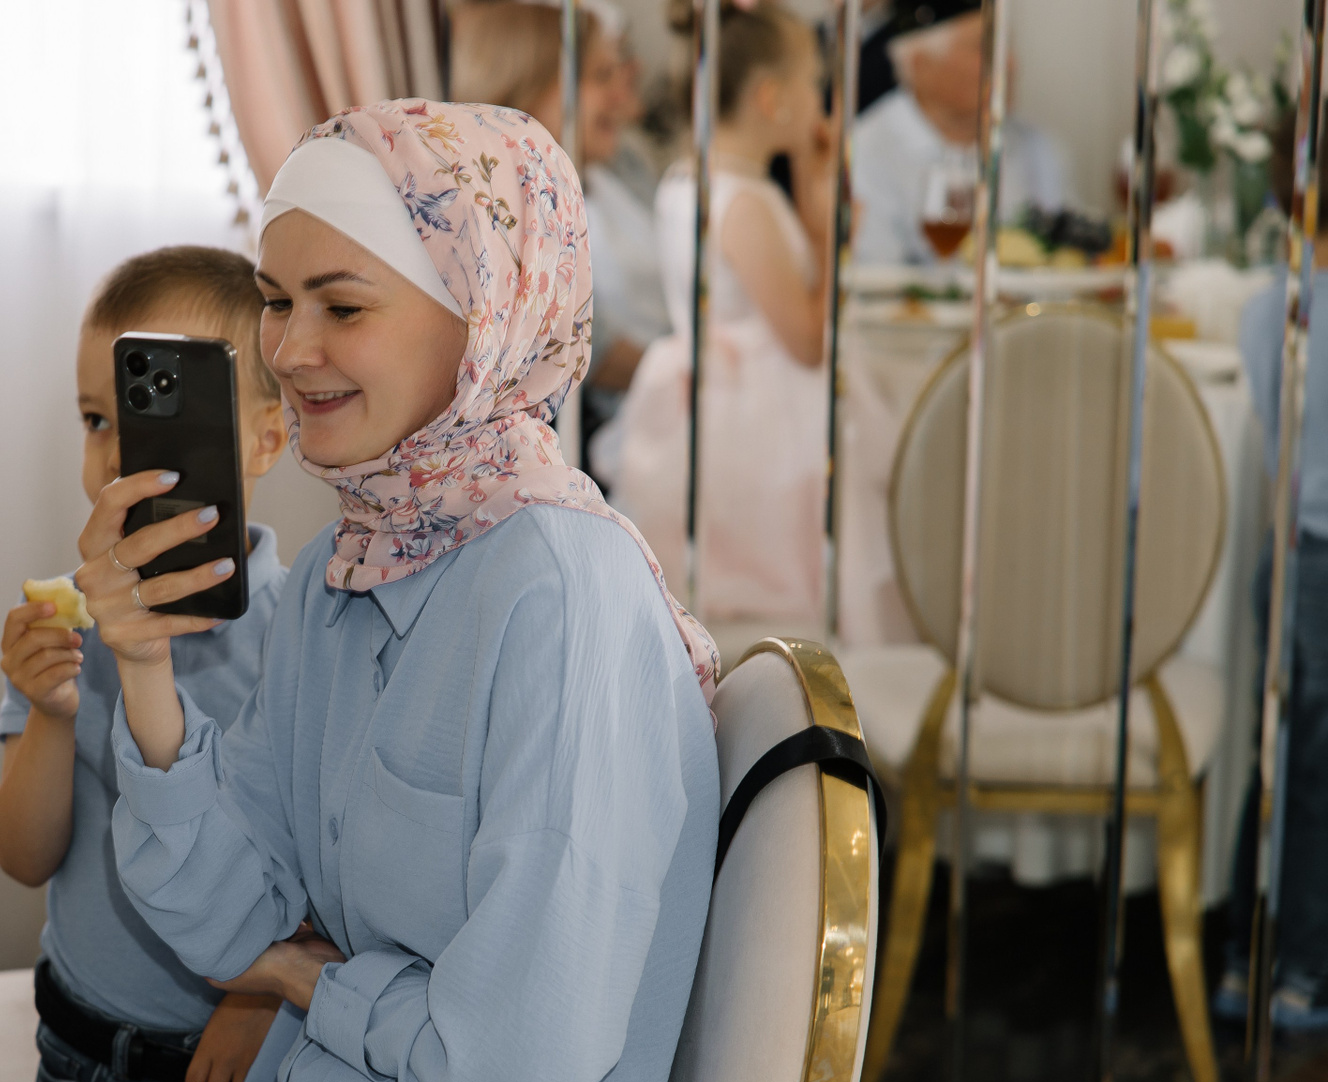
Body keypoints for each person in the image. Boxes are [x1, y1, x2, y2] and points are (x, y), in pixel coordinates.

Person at [0, 100, 720, 1082]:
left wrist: (315, 980)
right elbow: (228, 918)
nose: (291, 349)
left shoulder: (565, 598)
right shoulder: (339, 580)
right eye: (276, 301)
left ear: (485, 316)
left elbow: (526, 1052)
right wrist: (143, 669)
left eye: (341, 307)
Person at [0, 247, 292, 1082]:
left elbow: (322, 873)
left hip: (250, 1069)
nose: (116, 454)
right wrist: (50, 713)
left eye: (157, 416)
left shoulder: (301, 634)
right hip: (91, 1066)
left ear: (267, 439)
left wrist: (257, 1000)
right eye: (95, 419)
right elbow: (22, 856)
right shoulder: (64, 620)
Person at [606, 1, 832, 624]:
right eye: (813, 82)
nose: (821, 100)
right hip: (764, 412)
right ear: (771, 99)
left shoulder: (684, 181)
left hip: (713, 394)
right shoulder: (746, 203)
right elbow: (808, 341)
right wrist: (826, 239)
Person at [451, 1, 668, 476]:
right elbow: (590, 351)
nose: (622, 96)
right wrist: (695, 372)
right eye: (601, 76)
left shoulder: (626, 166)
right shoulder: (499, 219)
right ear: (531, 86)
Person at [1218, 122, 1328, 1033]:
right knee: (1315, 773)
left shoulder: (1269, 306)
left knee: (1279, 757)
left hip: (1285, 556)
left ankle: (1243, 957)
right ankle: (1301, 969)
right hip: (1320, 558)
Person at [850, 0, 1070, 266]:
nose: (1010, 64)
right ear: (921, 65)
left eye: (1007, 46)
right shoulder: (864, 153)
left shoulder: (1036, 146)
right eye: (984, 49)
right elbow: (872, 272)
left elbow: (1068, 253)